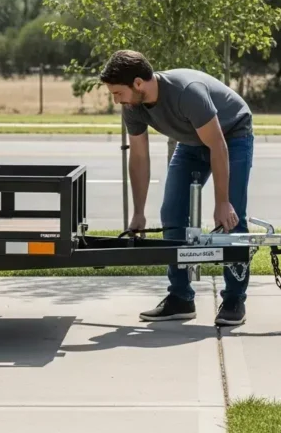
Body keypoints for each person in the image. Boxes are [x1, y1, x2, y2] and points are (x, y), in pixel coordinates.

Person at [99, 50, 254, 326]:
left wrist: (221, 201)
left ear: (137, 83)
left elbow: (218, 145)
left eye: (117, 92)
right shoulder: (132, 107)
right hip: (192, 141)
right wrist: (138, 212)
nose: (115, 100)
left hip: (232, 134)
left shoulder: (187, 93)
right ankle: (180, 297)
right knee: (172, 214)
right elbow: (138, 157)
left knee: (232, 217)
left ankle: (234, 299)